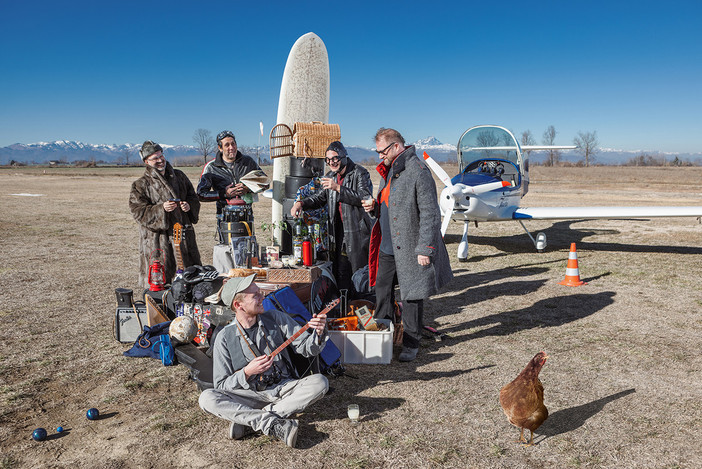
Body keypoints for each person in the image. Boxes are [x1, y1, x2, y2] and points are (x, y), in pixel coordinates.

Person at [198, 274, 330, 447]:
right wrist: (247, 372)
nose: (263, 298)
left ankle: (252, 421)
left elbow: (307, 348)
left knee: (320, 382)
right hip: (249, 395)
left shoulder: (276, 318)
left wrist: (318, 333)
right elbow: (222, 385)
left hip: (284, 388)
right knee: (207, 398)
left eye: (260, 293)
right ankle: (271, 422)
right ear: (238, 305)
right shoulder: (224, 338)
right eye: (255, 296)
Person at [362, 128, 453, 362]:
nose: (379, 156)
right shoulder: (389, 170)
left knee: (412, 297)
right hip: (387, 247)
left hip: (411, 248)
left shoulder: (418, 171)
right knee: (382, 292)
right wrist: (376, 207)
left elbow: (430, 214)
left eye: (382, 151)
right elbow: (392, 205)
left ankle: (411, 344)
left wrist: (425, 248)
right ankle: (383, 338)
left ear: (395, 147)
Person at [290, 141, 373, 293]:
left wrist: (338, 188)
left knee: (359, 274)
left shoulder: (359, 173)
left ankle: (362, 306)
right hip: (338, 232)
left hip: (357, 233)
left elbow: (364, 197)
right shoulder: (330, 175)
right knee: (341, 272)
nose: (331, 163)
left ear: (344, 157)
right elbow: (320, 197)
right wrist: (301, 203)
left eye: (335, 158)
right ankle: (344, 307)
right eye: (328, 160)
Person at [129, 140, 202, 290]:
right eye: (155, 158)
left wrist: (188, 206)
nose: (160, 160)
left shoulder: (180, 176)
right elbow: (138, 212)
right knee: (161, 285)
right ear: (146, 161)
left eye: (161, 156)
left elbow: (193, 198)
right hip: (158, 242)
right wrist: (162, 209)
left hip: (183, 238)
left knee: (189, 283)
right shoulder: (140, 185)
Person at [197, 130, 262, 214]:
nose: (231, 148)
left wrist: (247, 188)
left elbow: (264, 182)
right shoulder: (211, 167)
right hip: (224, 216)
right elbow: (201, 194)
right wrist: (224, 194)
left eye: (233, 144)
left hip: (247, 214)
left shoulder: (248, 162)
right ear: (220, 148)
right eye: (227, 145)